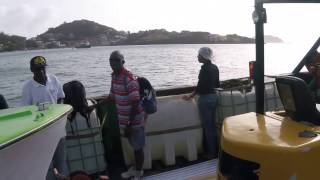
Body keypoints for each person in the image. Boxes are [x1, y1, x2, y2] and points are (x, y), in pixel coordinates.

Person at [21, 56, 67, 180]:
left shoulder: (54, 79)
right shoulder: (28, 88)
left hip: (59, 130)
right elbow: (26, 112)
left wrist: (59, 112)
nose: (41, 72)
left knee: (61, 163)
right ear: (31, 70)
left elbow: (61, 97)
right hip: (41, 134)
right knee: (46, 166)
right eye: (37, 69)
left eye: (43, 68)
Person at [105, 50, 145, 180]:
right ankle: (135, 169)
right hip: (123, 120)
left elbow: (135, 102)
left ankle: (139, 173)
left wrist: (129, 124)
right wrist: (93, 106)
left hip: (133, 122)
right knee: (133, 146)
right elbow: (111, 96)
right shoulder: (114, 77)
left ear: (123, 62)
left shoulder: (129, 78)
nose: (113, 63)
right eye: (111, 60)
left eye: (117, 60)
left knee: (138, 148)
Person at [183, 47, 220, 159]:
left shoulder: (204, 69)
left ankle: (212, 153)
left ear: (203, 57)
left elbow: (200, 87)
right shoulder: (215, 67)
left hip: (205, 99)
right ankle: (217, 151)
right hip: (214, 97)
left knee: (208, 127)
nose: (197, 57)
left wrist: (191, 96)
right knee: (213, 126)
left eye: (199, 55)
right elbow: (217, 84)